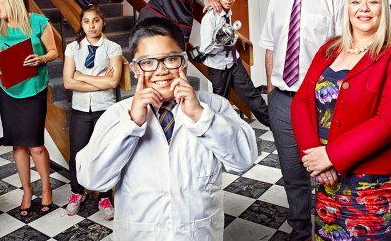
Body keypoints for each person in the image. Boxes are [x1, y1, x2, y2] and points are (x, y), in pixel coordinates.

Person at [76, 16, 258, 239]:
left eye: (170, 59)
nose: (160, 71)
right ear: (134, 68)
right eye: (148, 62)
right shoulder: (116, 115)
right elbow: (92, 179)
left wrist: (200, 116)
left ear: (184, 61)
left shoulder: (214, 106)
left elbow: (243, 160)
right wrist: (132, 123)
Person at [291, 0, 391, 239]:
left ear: (383, 9)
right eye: (356, 1)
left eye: (373, 1)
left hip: (375, 182)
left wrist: (332, 156)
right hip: (327, 177)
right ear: (347, 8)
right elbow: (301, 101)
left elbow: (390, 121)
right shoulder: (329, 48)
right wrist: (315, 158)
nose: (364, 8)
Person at [258, 0, 345, 240]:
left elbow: (344, 51)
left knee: (327, 171)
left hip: (321, 102)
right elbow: (270, 45)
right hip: (282, 99)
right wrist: (270, 89)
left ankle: (331, 230)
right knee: (293, 173)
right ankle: (301, 231)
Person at [0, 0, 59, 217]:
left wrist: (39, 59)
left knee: (36, 144)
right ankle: (27, 191)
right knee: (18, 144)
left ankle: (46, 189)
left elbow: (53, 52)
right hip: (9, 91)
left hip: (34, 88)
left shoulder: (38, 21)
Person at [61, 4, 122, 219]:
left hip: (104, 108)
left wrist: (81, 75)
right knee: (77, 153)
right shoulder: (73, 49)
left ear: (102, 22)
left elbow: (113, 81)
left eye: (95, 20)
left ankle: (104, 196)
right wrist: (101, 80)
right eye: (86, 21)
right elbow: (68, 83)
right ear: (82, 24)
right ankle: (77, 192)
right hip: (79, 109)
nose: (91, 25)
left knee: (104, 153)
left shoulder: (113, 48)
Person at [198, 0, 270, 126]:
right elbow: (206, 49)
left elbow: (227, 30)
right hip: (218, 67)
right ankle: (218, 132)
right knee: (220, 102)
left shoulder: (227, 13)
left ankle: (274, 124)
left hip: (233, 62)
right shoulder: (209, 18)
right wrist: (223, 47)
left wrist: (238, 37)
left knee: (251, 94)